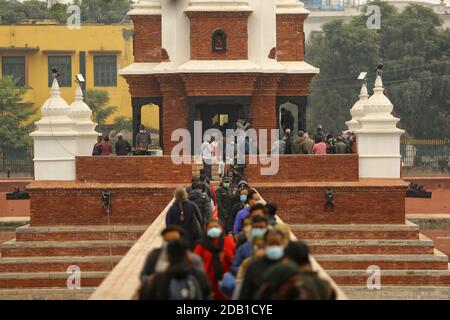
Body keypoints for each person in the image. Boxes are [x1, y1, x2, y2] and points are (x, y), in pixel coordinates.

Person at [139, 239, 212, 300]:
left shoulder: (159, 278)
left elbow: (145, 296)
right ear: (188, 255)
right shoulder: (199, 275)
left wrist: (146, 284)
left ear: (168, 257)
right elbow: (208, 296)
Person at [139, 225, 204, 283]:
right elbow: (143, 276)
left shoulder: (193, 260)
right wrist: (149, 280)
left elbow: (202, 281)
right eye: (167, 240)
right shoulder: (154, 256)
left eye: (174, 240)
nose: (170, 243)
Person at [239, 229, 287, 300]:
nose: (274, 247)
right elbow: (245, 295)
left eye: (277, 244)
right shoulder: (254, 267)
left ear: (283, 245)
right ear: (265, 245)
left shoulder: (288, 267)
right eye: (271, 244)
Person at [194, 219, 236, 300]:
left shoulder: (228, 241)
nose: (213, 229)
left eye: (216, 227)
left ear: (221, 228)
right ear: (206, 230)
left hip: (227, 281)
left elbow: (235, 259)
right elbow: (195, 262)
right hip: (208, 282)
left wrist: (225, 253)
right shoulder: (201, 244)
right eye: (210, 228)